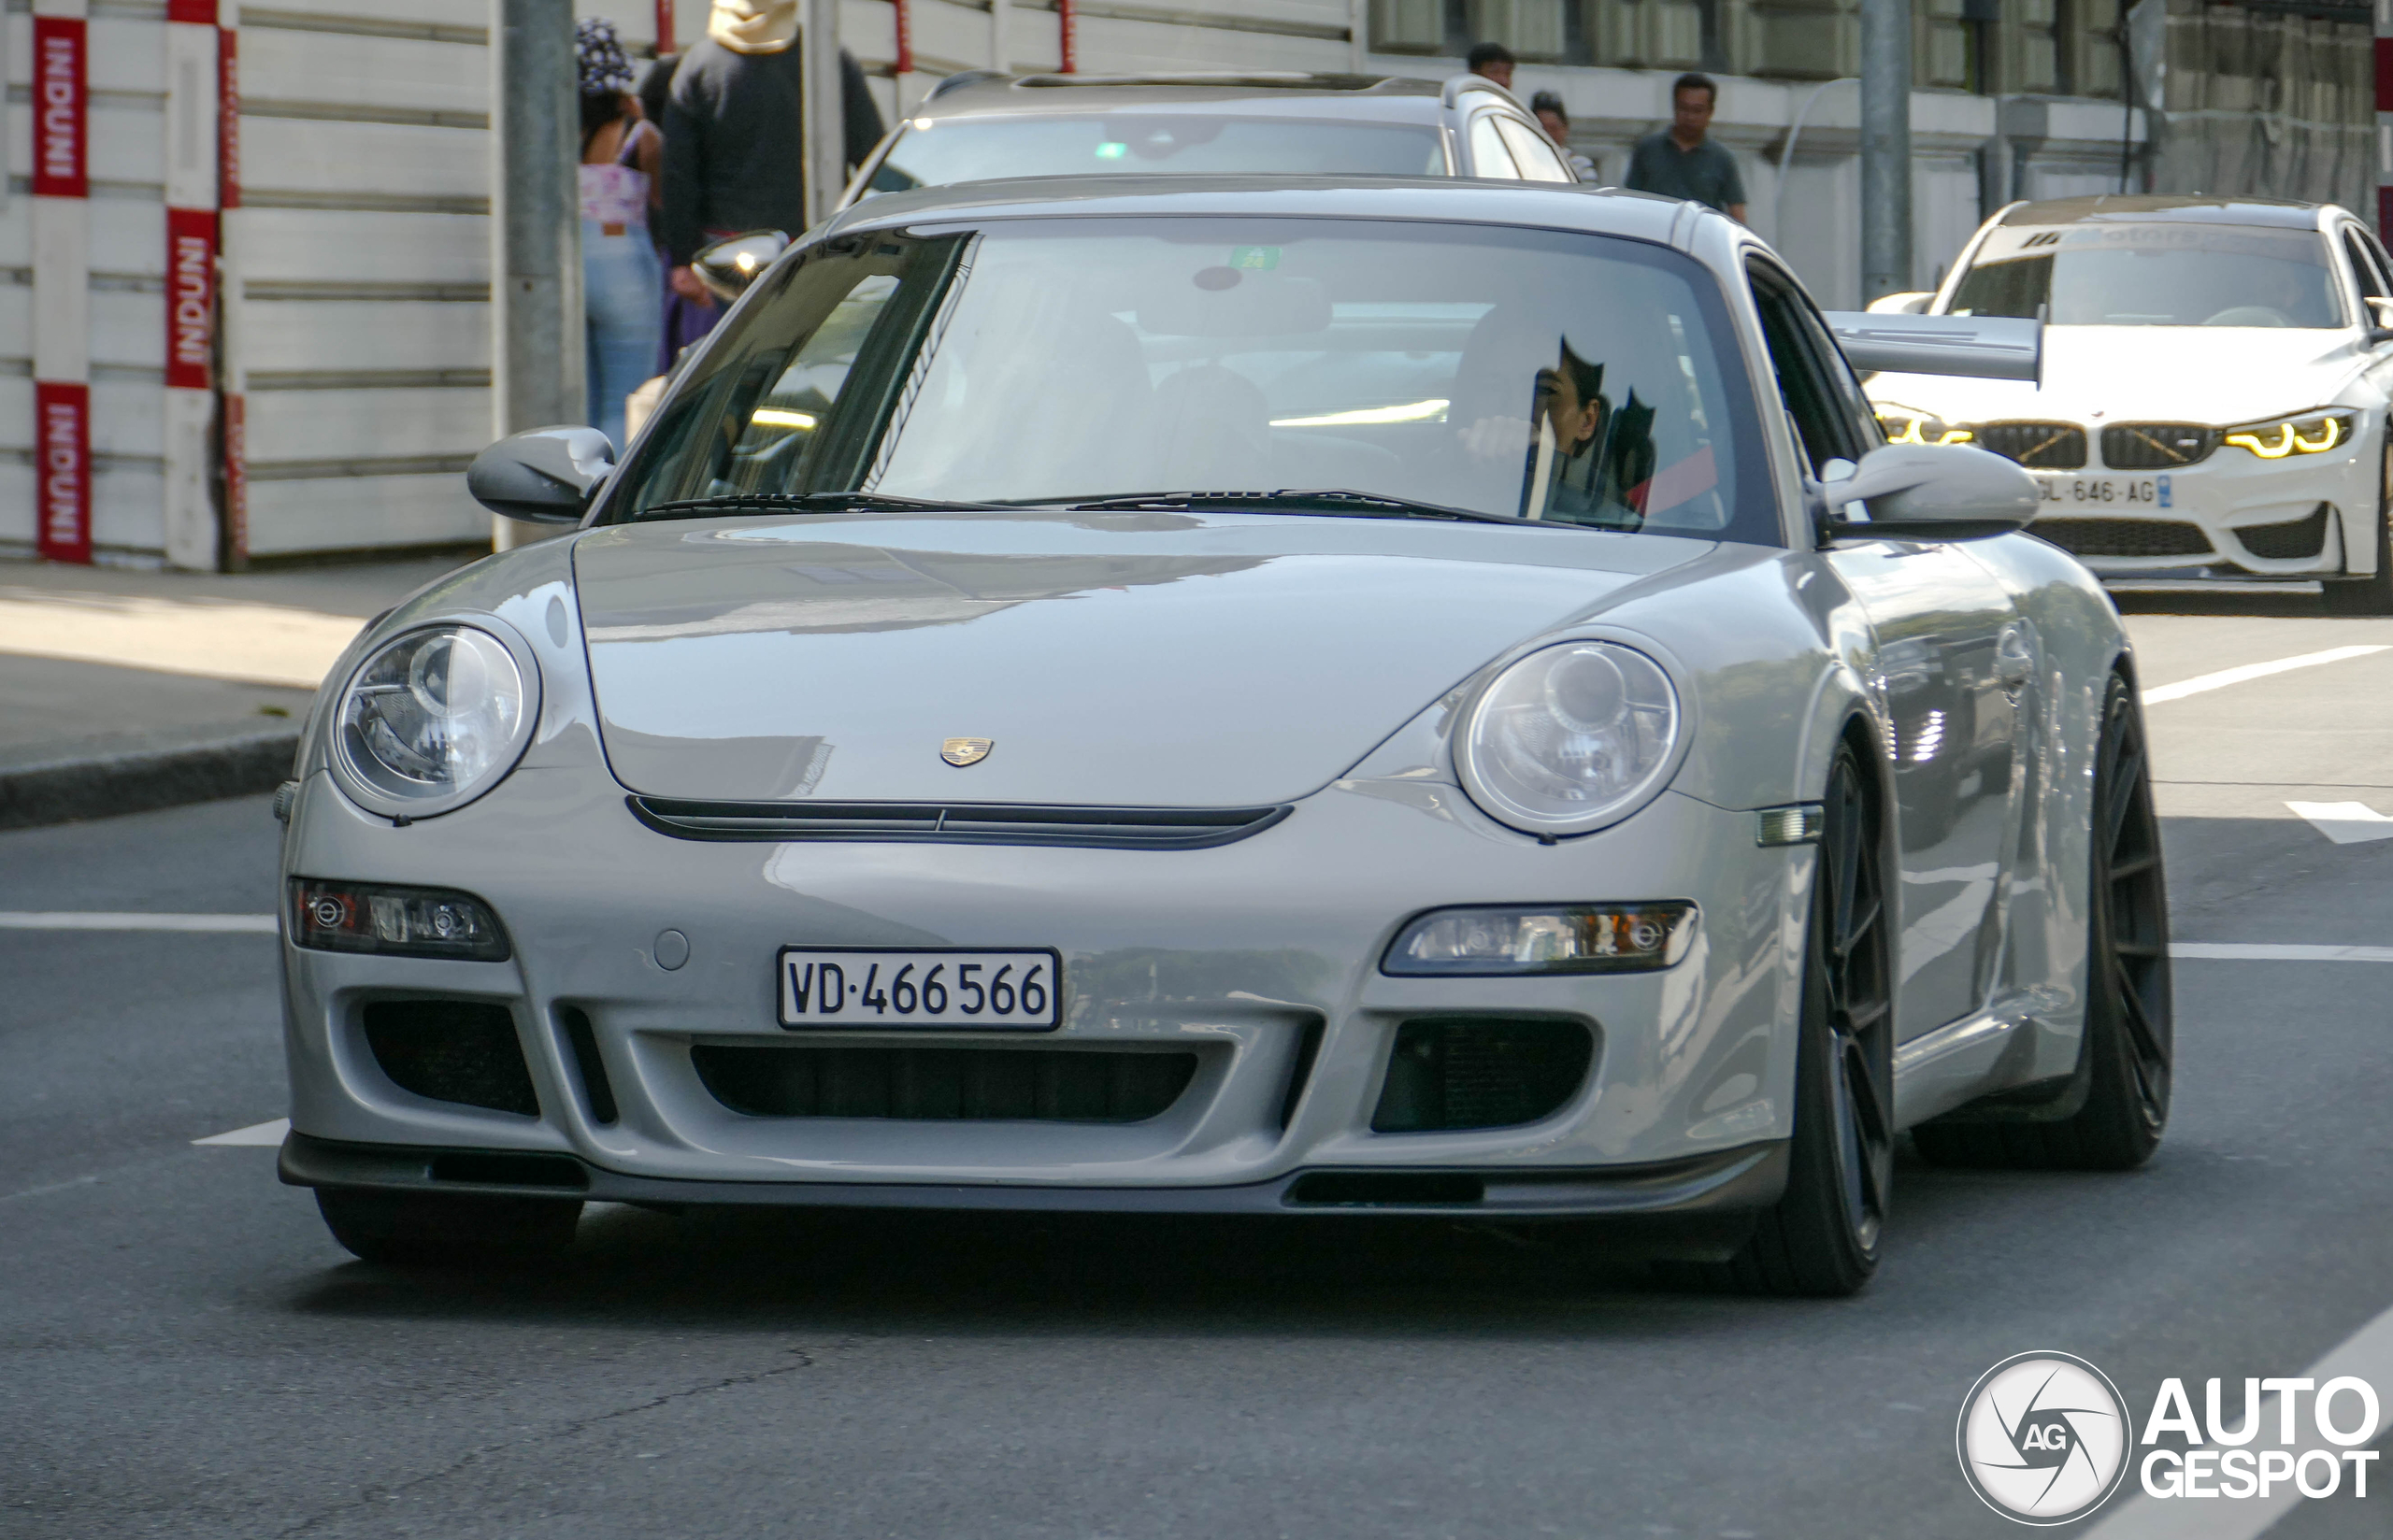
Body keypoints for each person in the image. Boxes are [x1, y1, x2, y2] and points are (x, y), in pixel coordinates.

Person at [661, 0, 888, 331]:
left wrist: (682, 261)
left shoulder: (698, 66)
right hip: (817, 246)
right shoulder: (827, 61)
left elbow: (678, 175)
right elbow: (873, 156)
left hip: (726, 261)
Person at [576, 19, 664, 450]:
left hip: (571, 260)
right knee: (626, 400)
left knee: (583, 400)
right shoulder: (635, 130)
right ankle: (610, 499)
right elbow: (664, 197)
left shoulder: (552, 132)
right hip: (624, 260)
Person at [1626, 72, 1745, 222]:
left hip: (1701, 240)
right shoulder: (1647, 150)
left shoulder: (1722, 158)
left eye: (1698, 110)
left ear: (1710, 112)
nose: (1690, 117)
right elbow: (1629, 201)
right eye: (1684, 109)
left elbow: (1737, 215)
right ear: (1674, 108)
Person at [1527, 91, 1596, 180]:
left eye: (1553, 129)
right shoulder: (1523, 162)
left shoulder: (1580, 166)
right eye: (1543, 130)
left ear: (1565, 128)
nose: (1549, 135)